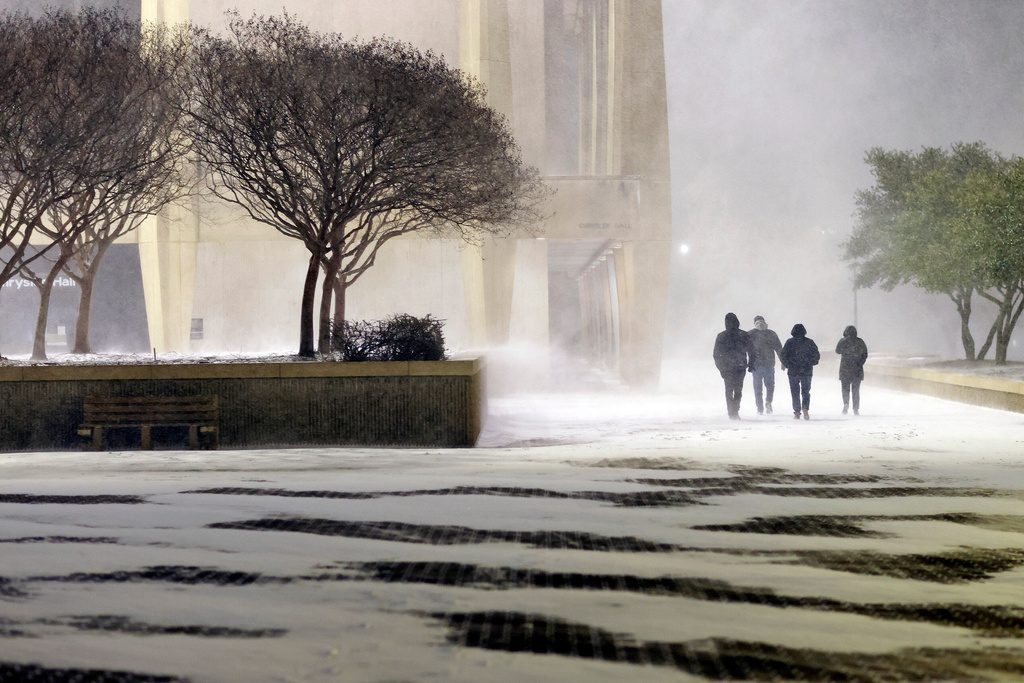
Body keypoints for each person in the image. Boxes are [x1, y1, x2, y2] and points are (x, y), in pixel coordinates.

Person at [713, 312, 752, 419]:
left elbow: (716, 354)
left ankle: (731, 411)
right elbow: (751, 350)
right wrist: (751, 363)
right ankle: (735, 409)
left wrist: (721, 368)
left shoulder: (721, 336)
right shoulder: (743, 335)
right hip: (740, 366)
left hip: (727, 367)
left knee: (729, 389)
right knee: (738, 389)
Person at [779, 323, 819, 420]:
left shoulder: (789, 342)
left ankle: (797, 411)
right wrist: (811, 363)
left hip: (793, 371)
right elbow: (816, 355)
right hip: (807, 370)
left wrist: (788, 364)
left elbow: (783, 355)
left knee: (795, 391)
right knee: (806, 391)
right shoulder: (810, 342)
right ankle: (805, 407)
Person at [748, 315, 783, 415]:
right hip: (769, 363)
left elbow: (745, 349)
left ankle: (759, 408)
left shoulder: (750, 334)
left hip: (756, 365)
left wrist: (745, 362)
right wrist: (783, 361)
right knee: (770, 385)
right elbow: (779, 349)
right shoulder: (771, 334)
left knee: (757, 387)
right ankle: (768, 401)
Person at [835, 325, 869, 415]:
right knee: (856, 389)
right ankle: (855, 409)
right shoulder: (860, 341)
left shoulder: (843, 341)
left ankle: (846, 403)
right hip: (857, 369)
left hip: (844, 369)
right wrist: (860, 362)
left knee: (845, 389)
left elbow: (837, 351)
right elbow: (865, 354)